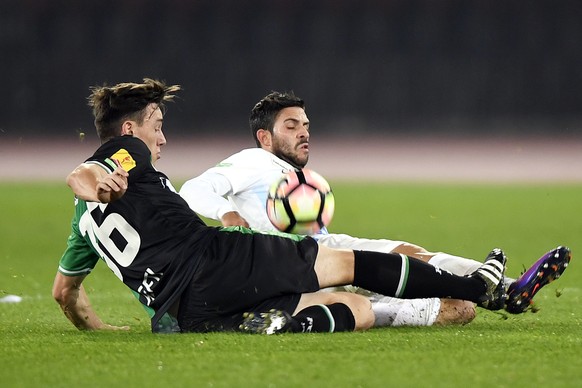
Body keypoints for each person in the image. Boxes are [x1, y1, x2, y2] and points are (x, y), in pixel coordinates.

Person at [52, 79, 509, 335]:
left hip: (183, 312)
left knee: (358, 311)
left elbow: (64, 295)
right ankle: (480, 290)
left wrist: (102, 332)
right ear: (130, 128)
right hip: (218, 259)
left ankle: (278, 324)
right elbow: (82, 175)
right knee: (352, 264)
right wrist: (101, 185)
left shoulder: (81, 225)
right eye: (158, 124)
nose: (162, 137)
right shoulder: (126, 151)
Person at [179, 91, 571, 326]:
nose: (304, 132)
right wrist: (227, 215)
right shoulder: (252, 160)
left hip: (324, 250)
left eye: (307, 125)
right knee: (458, 311)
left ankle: (506, 290)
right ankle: (487, 293)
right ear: (264, 137)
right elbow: (194, 188)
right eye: (292, 125)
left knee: (408, 253)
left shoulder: (295, 174)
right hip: (289, 266)